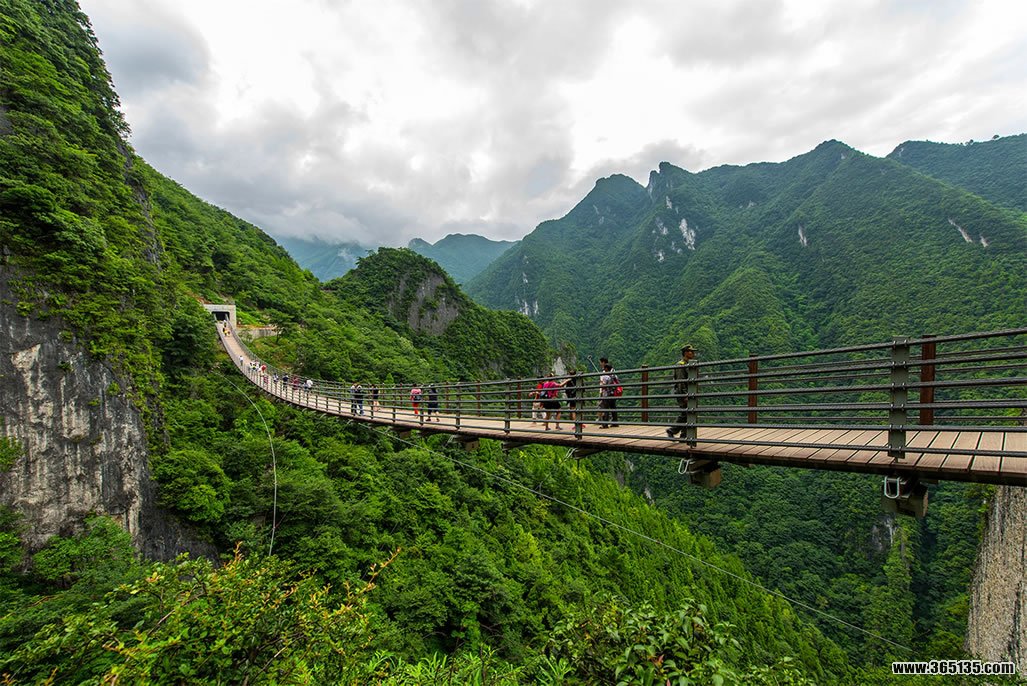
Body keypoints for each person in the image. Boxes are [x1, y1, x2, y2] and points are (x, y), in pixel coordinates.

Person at [667, 345, 697, 438]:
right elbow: (680, 381)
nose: (693, 353)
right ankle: (672, 430)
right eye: (690, 351)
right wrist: (685, 395)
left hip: (689, 393)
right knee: (686, 413)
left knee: (688, 413)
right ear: (685, 353)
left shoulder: (688, 364)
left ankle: (684, 435)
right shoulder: (681, 365)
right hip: (683, 393)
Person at [598, 361, 619, 428]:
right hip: (613, 393)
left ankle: (605, 424)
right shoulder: (614, 375)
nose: (603, 369)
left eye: (604, 368)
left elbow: (603, 385)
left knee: (605, 409)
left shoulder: (605, 377)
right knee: (613, 408)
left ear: (606, 368)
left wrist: (601, 382)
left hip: (606, 394)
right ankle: (615, 423)